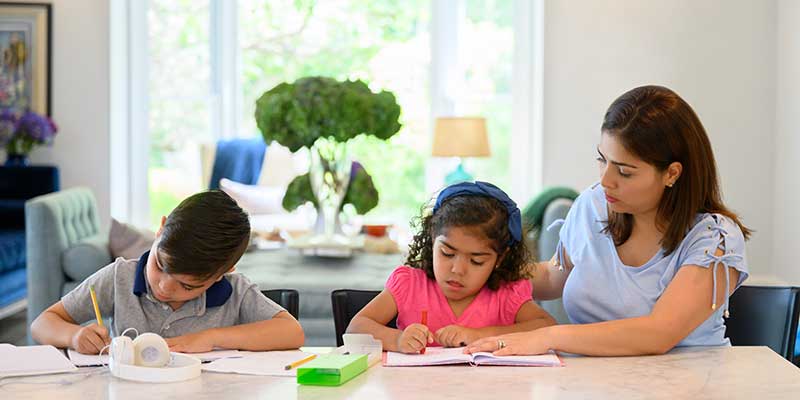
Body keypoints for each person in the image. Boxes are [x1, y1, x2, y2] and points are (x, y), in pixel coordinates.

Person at [467, 85, 751, 357]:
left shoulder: (714, 239)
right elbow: (553, 276)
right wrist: (480, 266)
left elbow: (659, 333)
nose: (605, 181)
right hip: (593, 383)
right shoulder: (593, 206)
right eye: (602, 160)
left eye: (624, 171)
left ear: (672, 173)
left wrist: (546, 337)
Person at [31, 190, 304, 354]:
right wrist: (74, 336)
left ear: (224, 272)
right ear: (159, 229)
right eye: (160, 266)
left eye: (187, 286)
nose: (164, 287)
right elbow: (42, 323)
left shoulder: (234, 291)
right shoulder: (119, 278)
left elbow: (292, 332)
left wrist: (209, 338)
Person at [347, 181, 556, 354]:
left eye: (476, 261)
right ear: (432, 239)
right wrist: (398, 339)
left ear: (500, 259)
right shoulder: (409, 284)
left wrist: (479, 335)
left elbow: (547, 327)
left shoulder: (507, 292)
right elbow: (356, 328)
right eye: (447, 253)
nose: (457, 269)